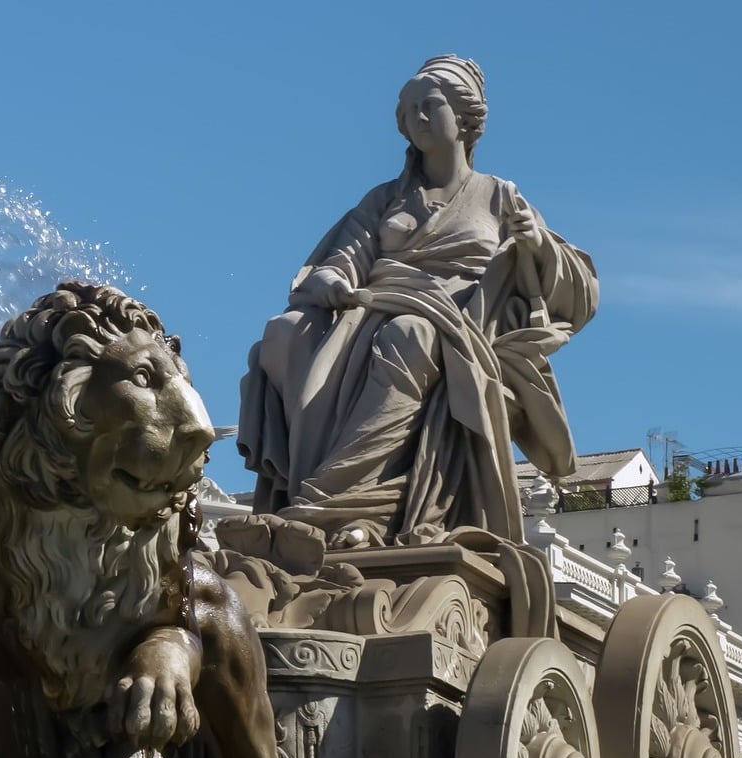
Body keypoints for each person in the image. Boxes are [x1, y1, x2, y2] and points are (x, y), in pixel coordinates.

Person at [238, 55, 598, 550]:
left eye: (430, 105)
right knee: (284, 334)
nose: (417, 117)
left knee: (408, 333)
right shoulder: (384, 199)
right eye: (408, 109)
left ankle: (332, 500)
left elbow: (578, 292)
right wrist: (331, 281)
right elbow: (343, 257)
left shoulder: (497, 195)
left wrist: (535, 244)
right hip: (373, 305)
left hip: (457, 323)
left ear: (466, 118)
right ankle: (306, 486)